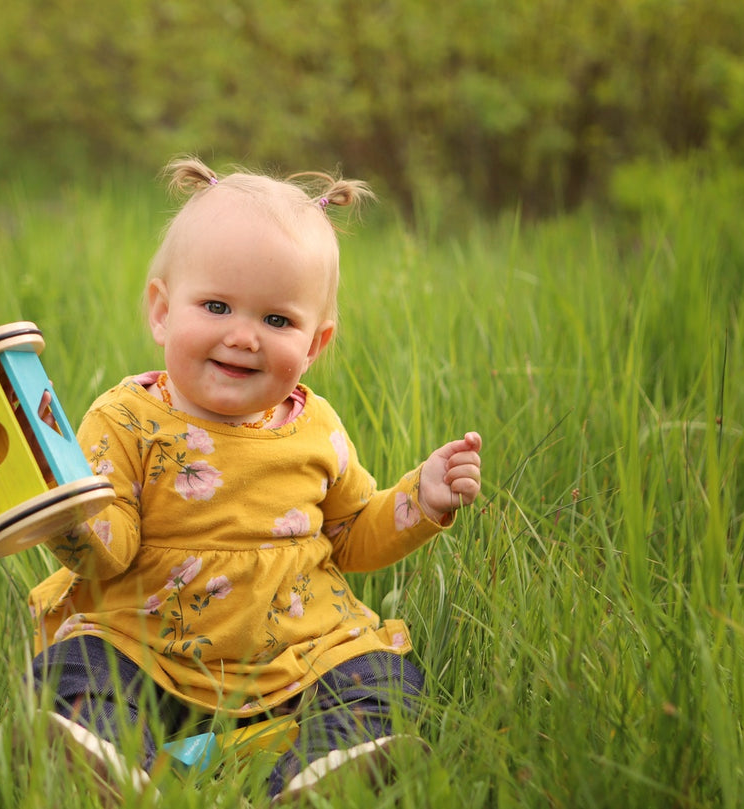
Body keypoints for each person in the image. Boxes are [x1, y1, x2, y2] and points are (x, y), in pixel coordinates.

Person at [28, 156, 483, 803]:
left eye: (277, 320)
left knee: (383, 678)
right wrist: (71, 516)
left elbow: (351, 534)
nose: (243, 337)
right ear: (162, 312)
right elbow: (111, 551)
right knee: (78, 668)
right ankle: (112, 755)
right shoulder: (125, 417)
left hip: (297, 656)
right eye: (216, 306)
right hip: (150, 648)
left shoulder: (316, 424)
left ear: (315, 343)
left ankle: (313, 772)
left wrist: (422, 496)